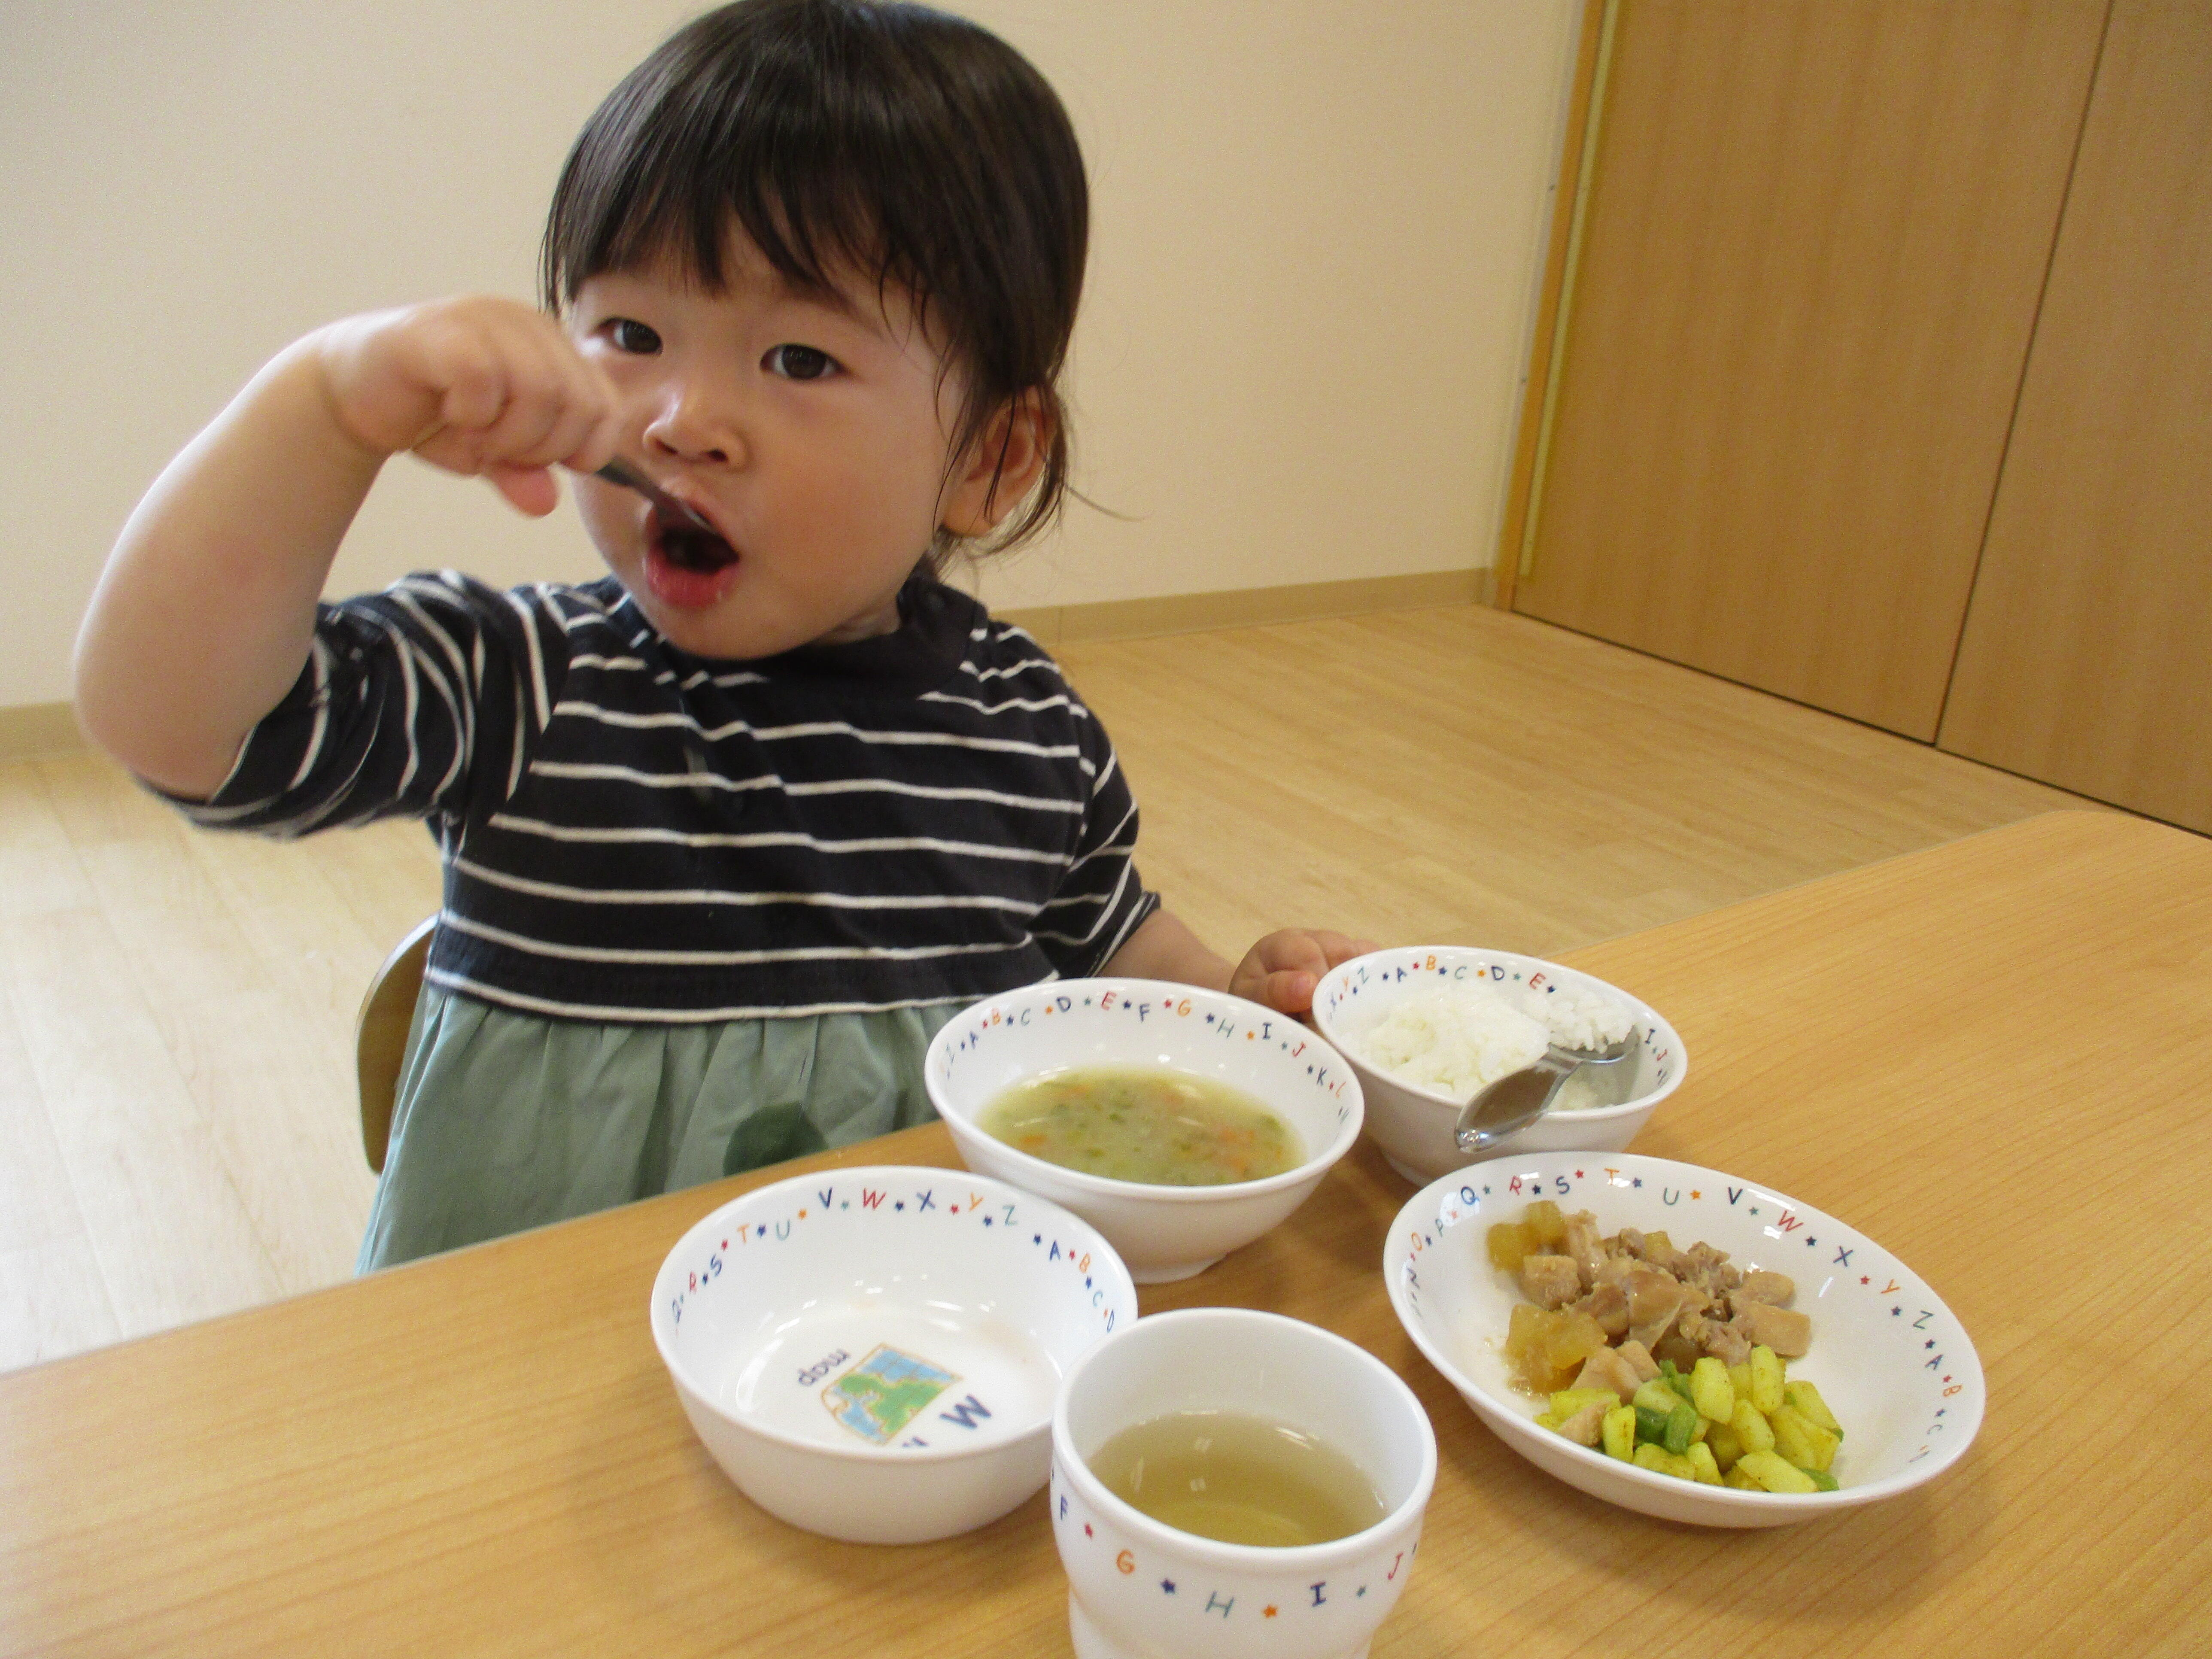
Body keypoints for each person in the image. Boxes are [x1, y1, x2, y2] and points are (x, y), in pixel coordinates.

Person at [73, 0, 1371, 1269]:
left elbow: (1116, 954)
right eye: (632, 335)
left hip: (909, 1363)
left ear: (990, 454)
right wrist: (323, 406)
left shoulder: (1023, 723)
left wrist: (1244, 999)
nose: (683, 420)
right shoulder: (522, 688)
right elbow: (177, 719)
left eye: (798, 360)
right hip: (519, 1390)